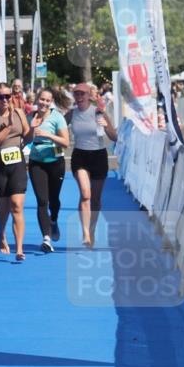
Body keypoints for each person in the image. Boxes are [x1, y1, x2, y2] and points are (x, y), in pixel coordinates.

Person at [0, 82, 32, 260]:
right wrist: (9, 128)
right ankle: (2, 233)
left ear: (12, 96)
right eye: (0, 97)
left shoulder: (19, 112)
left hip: (17, 162)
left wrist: (33, 129)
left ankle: (19, 248)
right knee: (4, 207)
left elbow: (27, 136)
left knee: (17, 206)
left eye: (7, 96)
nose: (5, 100)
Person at [67, 82, 117, 248]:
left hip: (99, 156)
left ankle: (92, 229)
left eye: (83, 94)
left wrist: (105, 126)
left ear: (89, 96)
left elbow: (114, 136)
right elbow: (56, 125)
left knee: (95, 199)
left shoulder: (98, 112)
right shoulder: (71, 114)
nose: (79, 97)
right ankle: (86, 233)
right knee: (85, 193)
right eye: (77, 94)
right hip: (80, 156)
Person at [28, 88, 70, 252]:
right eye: (42, 99)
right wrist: (31, 129)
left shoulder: (57, 117)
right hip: (36, 162)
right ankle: (46, 239)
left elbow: (66, 142)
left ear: (50, 102)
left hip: (55, 162)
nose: (44, 103)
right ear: (37, 100)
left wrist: (47, 135)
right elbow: (24, 140)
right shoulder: (31, 117)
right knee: (42, 201)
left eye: (47, 100)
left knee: (54, 199)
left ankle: (53, 220)